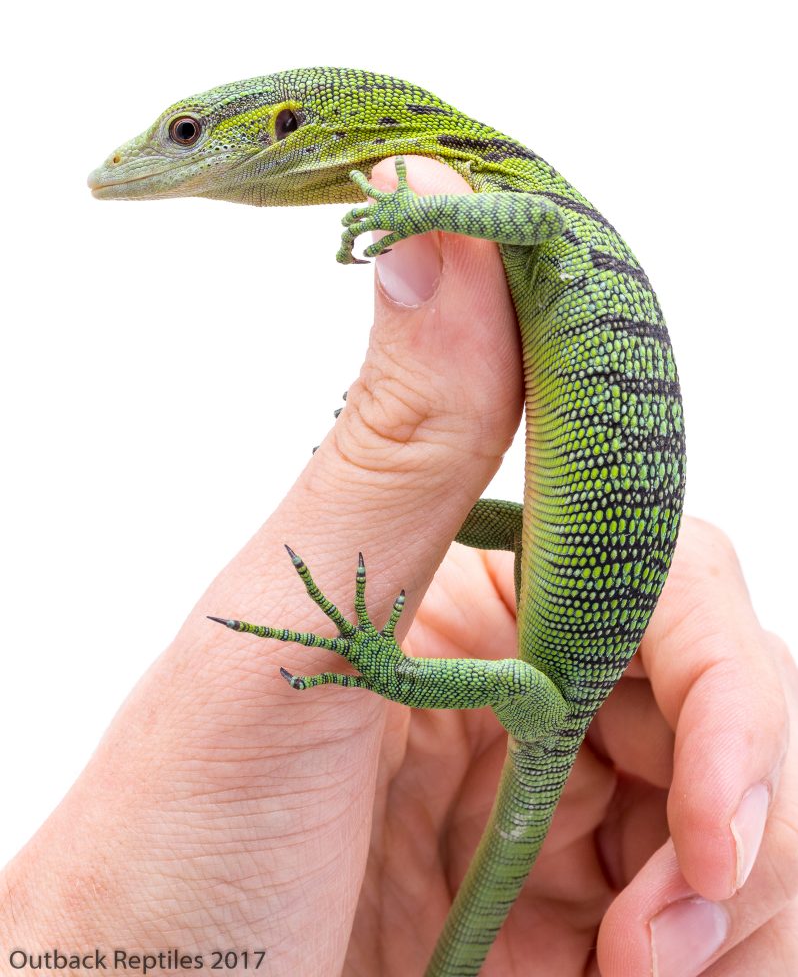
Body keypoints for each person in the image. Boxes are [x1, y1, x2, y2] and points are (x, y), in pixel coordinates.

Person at [2, 159, 795, 977]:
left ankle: (383, 662)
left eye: (186, 136)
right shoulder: (490, 176)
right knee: (527, 582)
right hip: (559, 558)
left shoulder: (519, 195)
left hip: (554, 670)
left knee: (526, 690)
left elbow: (543, 225)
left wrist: (385, 666)